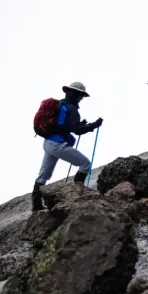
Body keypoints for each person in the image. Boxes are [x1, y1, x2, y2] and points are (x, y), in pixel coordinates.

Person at [33, 82, 102, 211]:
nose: (81, 98)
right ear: (76, 95)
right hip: (57, 145)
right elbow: (77, 130)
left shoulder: (62, 105)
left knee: (43, 175)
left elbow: (64, 125)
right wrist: (93, 125)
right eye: (81, 95)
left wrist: (79, 124)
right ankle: (77, 193)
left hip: (48, 142)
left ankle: (36, 206)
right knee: (86, 164)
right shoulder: (71, 109)